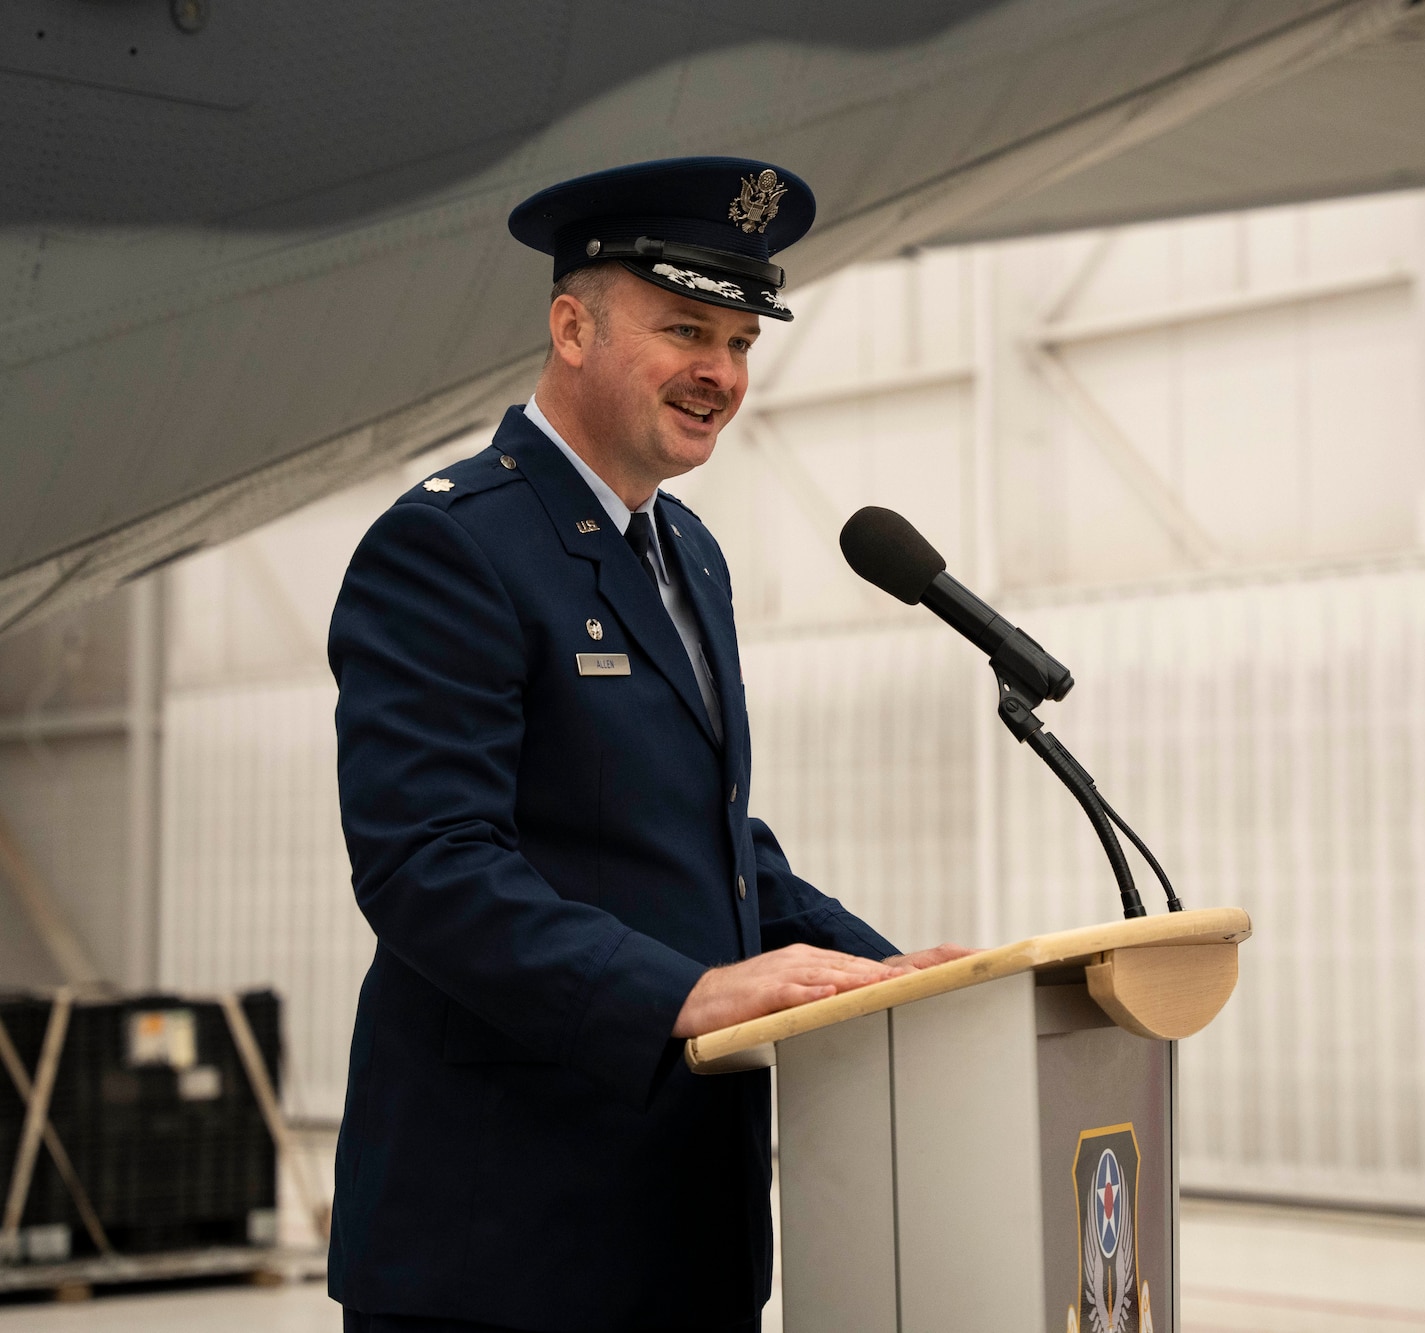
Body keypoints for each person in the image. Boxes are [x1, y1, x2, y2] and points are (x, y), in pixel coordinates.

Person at [326, 157, 970, 1333]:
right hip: (506, 1245)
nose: (719, 375)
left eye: (739, 343)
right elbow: (426, 865)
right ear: (571, 325)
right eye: (685, 328)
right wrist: (686, 991)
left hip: (682, 1228)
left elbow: (713, 845)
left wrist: (895, 983)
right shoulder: (450, 545)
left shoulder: (687, 555)